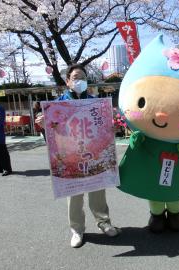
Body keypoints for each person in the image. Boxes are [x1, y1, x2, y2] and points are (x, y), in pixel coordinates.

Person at [36, 64, 120, 248]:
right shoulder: (57, 105)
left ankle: (104, 222)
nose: (79, 81)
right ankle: (77, 229)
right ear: (67, 82)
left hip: (93, 155)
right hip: (72, 156)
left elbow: (104, 131)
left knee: (98, 188)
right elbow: (52, 136)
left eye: (83, 77)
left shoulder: (96, 104)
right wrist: (44, 124)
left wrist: (111, 128)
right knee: (74, 193)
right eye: (75, 77)